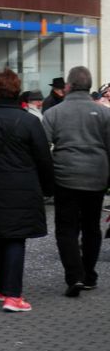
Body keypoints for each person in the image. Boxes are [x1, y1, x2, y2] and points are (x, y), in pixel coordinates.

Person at [0, 69, 54, 313]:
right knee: (16, 238)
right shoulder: (29, 121)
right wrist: (49, 187)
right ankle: (13, 296)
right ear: (17, 90)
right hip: (23, 188)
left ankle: (2, 286)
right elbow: (43, 159)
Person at [42, 65, 110, 297]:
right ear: (90, 86)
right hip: (97, 176)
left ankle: (74, 276)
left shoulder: (54, 113)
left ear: (69, 86)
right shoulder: (104, 113)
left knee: (66, 228)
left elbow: (43, 147)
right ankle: (89, 274)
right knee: (92, 227)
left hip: (65, 176)